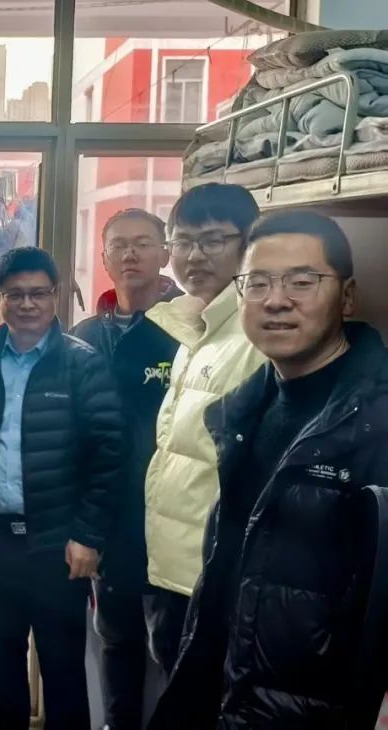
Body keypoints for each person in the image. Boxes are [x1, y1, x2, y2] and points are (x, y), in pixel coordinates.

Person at [149, 210, 388, 729]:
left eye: (302, 282)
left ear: (346, 296)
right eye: (257, 283)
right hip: (220, 689)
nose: (276, 300)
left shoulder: (376, 423)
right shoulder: (243, 411)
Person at [0, 246, 125, 730]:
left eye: (38, 293)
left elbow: (108, 453)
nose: (27, 304)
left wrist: (88, 534)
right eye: (15, 294)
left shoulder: (82, 364)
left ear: (55, 296)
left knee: (63, 672)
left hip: (58, 547)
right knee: (0, 669)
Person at [142, 183, 265, 676]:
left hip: (214, 579)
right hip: (176, 569)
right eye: (183, 241)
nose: (194, 256)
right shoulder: (195, 330)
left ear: (248, 245)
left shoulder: (255, 334)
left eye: (213, 240)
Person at [72, 210, 181, 730]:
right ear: (105, 258)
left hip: (173, 521)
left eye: (143, 243)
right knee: (117, 644)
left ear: (165, 253)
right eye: (119, 245)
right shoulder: (86, 335)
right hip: (105, 520)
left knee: (176, 651)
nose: (131, 254)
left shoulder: (189, 330)